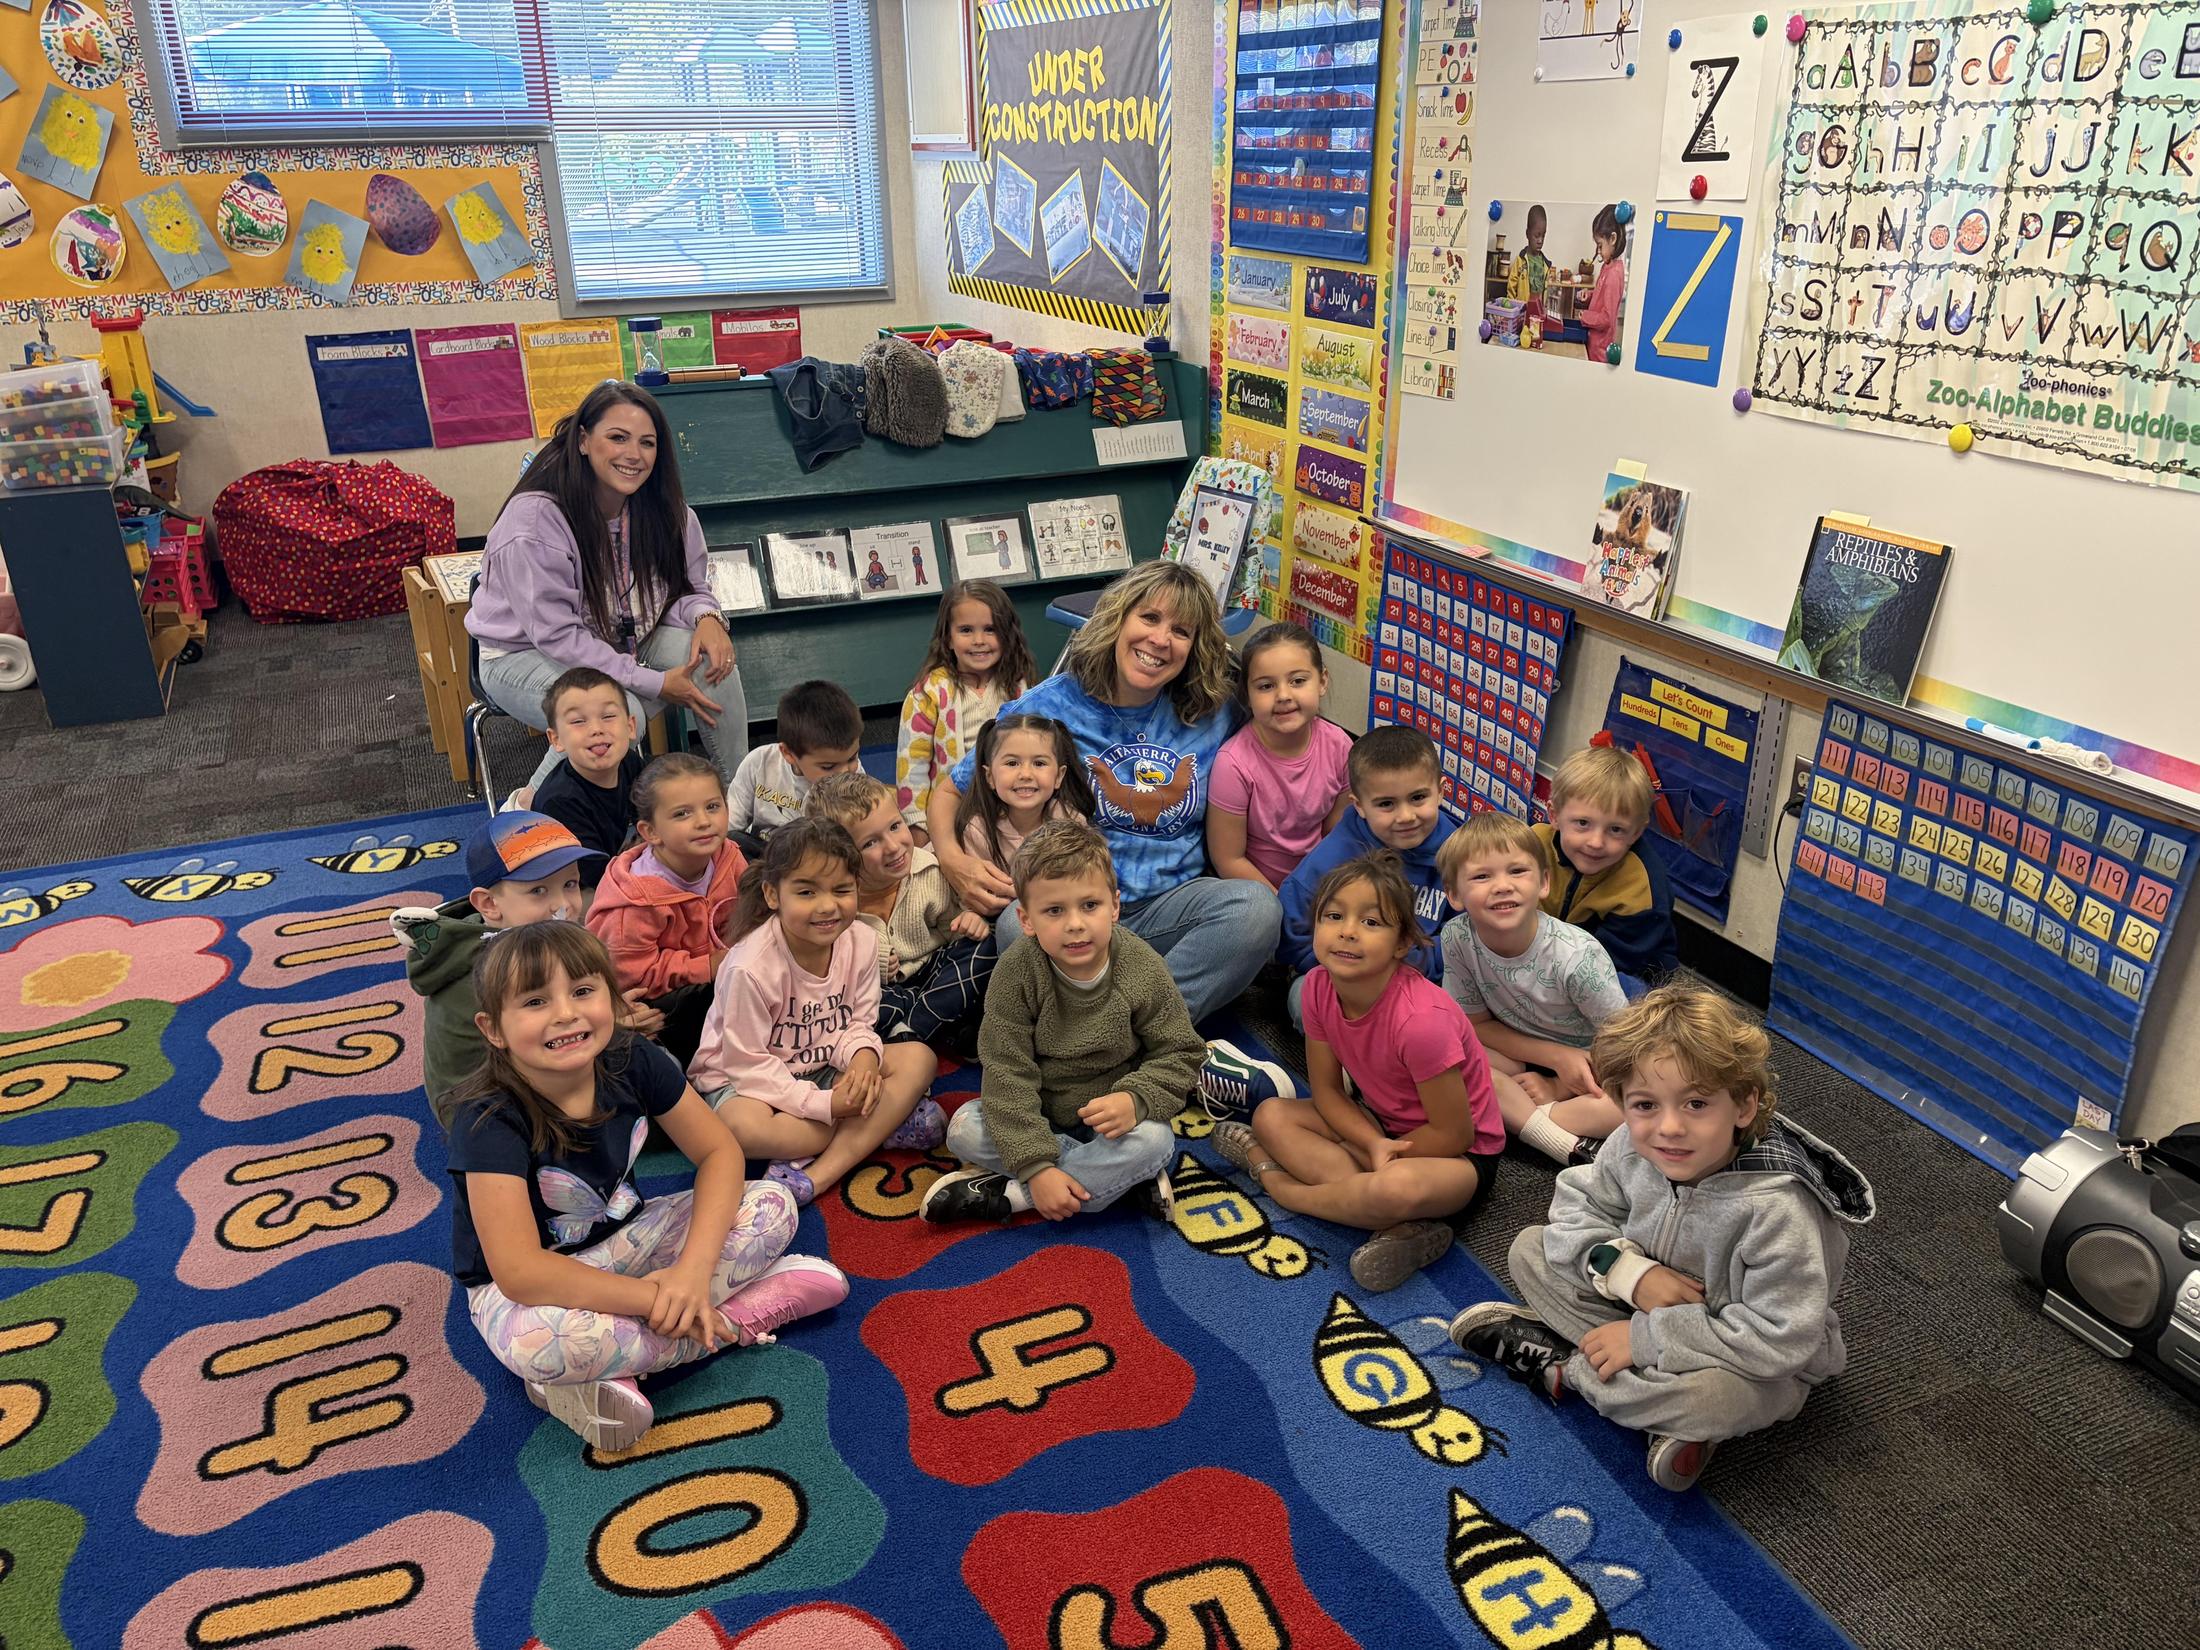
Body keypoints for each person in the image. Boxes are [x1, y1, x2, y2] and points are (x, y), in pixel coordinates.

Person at [1449, 985, 1874, 1493]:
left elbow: (1778, 1341)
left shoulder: (1779, 1211)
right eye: (1645, 1104)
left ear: (1744, 1106)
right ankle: (1652, 1404)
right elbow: (1575, 1210)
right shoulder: (1630, 1144)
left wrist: (1644, 1340)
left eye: (1696, 1103)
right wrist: (1629, 1274)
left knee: (1716, 1399)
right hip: (1640, 1304)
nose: (1669, 1127)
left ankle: (1567, 1369)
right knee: (1530, 1249)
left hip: (1743, 1354)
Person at [442, 922, 847, 1452]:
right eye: (536, 1001)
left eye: (582, 991)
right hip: (531, 1287)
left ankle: (604, 1370)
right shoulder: (488, 1118)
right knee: (536, 1344)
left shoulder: (632, 1058)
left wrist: (691, 1272)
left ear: (612, 999)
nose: (565, 1013)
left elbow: (720, 1153)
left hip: (629, 1240)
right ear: (493, 1028)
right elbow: (521, 1272)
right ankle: (736, 1321)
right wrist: (657, 1297)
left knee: (772, 1202)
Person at [928, 561, 1280, 1025]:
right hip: (1076, 904)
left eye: (1181, 631)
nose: (1160, 639)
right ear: (1118, 619)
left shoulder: (1213, 712)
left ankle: (1118, 1028)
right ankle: (1141, 1031)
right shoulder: (1050, 706)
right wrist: (954, 862)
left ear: (1195, 648)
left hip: (1171, 910)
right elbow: (949, 791)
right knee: (1017, 923)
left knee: (1257, 909)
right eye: (1149, 618)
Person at [1212, 852, 1512, 1292]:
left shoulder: (1421, 1022)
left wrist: (1385, 1156)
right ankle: (1396, 1225)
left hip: (1458, 1158)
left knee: (1394, 1189)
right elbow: (1328, 1092)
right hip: (1378, 1126)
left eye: (1371, 922)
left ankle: (1282, 1186)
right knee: (1271, 1115)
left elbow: (1454, 1134)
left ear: (1401, 943)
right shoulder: (1317, 986)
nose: (1348, 931)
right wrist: (1373, 1144)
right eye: (1333, 916)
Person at [921, 820, 1203, 1225]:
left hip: (1111, 1117)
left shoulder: (1141, 967)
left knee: (1155, 1140)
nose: (1075, 924)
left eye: (1090, 905)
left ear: (1115, 906)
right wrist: (1036, 1164)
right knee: (963, 1129)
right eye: (1054, 910)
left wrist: (1135, 1099)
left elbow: (1182, 1052)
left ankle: (1014, 1196)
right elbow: (1006, 1070)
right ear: (1026, 920)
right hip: (1040, 1109)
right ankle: (1118, 1182)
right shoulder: (1016, 972)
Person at [467, 380, 746, 788]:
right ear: (583, 440)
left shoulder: (666, 510)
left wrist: (707, 618)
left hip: (618, 635)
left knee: (711, 659)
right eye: (618, 438)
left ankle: (741, 798)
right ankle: (531, 812)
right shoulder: (534, 521)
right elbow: (559, 636)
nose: (634, 454)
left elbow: (686, 589)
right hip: (521, 654)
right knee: (615, 713)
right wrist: (654, 683)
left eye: (647, 443)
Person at [689, 819, 944, 1206]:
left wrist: (862, 1057)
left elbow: (858, 1022)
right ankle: (875, 1127)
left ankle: (816, 1168)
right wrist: (825, 1106)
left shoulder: (862, 941)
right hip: (747, 1084)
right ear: (773, 894)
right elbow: (747, 1064)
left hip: (821, 1068)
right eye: (806, 892)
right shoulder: (750, 968)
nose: (827, 906)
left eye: (842, 889)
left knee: (920, 1058)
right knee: (740, 1127)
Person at [1439, 813, 1629, 1166]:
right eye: (1482, 876)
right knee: (1442, 1048)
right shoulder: (1457, 937)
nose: (1502, 886)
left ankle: (1527, 1118)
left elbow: (1627, 1047)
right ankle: (1548, 1130)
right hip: (1521, 1049)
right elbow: (1475, 1025)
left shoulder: (1576, 957)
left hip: (1596, 1061)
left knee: (1637, 1103)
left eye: (1517, 871)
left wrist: (1559, 1086)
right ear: (1454, 894)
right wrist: (1555, 1058)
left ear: (1543, 882)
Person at [397, 810, 594, 1125]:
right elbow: (556, 1036)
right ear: (488, 904)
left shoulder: (515, 933)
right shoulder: (494, 968)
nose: (563, 905)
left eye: (570, 884)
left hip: (523, 1075)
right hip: (490, 1117)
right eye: (538, 890)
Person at [1276, 725, 1458, 1025]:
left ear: (1440, 792)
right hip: (1345, 975)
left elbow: (1465, 936)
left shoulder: (1461, 854)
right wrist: (1352, 966)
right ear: (1359, 806)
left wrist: (1410, 966)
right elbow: (1294, 935)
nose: (1406, 816)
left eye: (1417, 798)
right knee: (1304, 999)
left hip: (1423, 978)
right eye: (1386, 804)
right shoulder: (1334, 858)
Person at [806, 770, 997, 1048]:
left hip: (936, 974)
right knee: (843, 1003)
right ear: (839, 856)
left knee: (987, 946)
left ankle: (912, 1030)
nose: (894, 847)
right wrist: (874, 964)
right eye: (870, 843)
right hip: (880, 991)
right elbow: (827, 966)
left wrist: (969, 922)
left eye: (895, 826)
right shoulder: (833, 901)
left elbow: (954, 931)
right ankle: (942, 1028)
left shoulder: (929, 871)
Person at [586, 754, 746, 1066]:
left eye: (713, 806)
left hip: (721, 975)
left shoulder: (729, 857)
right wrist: (707, 966)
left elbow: (749, 915)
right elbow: (633, 975)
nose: (703, 821)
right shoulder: (634, 902)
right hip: (662, 1004)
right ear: (651, 832)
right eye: (682, 813)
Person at [1207, 621, 1351, 891]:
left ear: (1322, 681)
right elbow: (1228, 859)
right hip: (1259, 894)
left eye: (1298, 681)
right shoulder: (1233, 764)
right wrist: (1281, 904)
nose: (1283, 695)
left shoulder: (1339, 745)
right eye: (1266, 686)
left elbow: (1338, 836)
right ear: (1247, 694)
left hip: (1321, 885)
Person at [896, 580, 1037, 842]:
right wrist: (919, 827)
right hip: (952, 817)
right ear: (948, 638)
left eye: (990, 629)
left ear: (1007, 634)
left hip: (1010, 815)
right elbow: (911, 766)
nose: (979, 640)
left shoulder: (1018, 688)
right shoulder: (929, 692)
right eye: (966, 630)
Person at [1536, 746, 1678, 989]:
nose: (1596, 842)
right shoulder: (1532, 846)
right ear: (1554, 815)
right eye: (1583, 823)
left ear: (1637, 832)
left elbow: (1607, 966)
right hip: (1554, 947)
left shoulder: (1642, 885)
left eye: (1615, 829)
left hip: (1624, 968)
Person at [530, 666, 642, 897]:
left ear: (630, 726)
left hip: (607, 867)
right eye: (578, 721)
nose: (596, 729)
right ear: (556, 739)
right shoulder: (560, 801)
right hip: (567, 890)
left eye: (608, 716)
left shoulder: (629, 763)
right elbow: (598, 878)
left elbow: (656, 812)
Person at [954, 713, 1096, 886]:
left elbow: (1083, 884)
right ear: (989, 776)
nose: (1026, 774)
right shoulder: (977, 831)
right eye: (1012, 763)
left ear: (1059, 776)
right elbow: (978, 892)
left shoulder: (1071, 822)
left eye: (1039, 763)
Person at [725, 679, 864, 853]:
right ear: (789, 754)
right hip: (765, 852)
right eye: (828, 767)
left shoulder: (855, 780)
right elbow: (729, 827)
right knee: (733, 840)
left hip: (820, 855)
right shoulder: (759, 762)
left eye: (852, 758)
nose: (844, 773)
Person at [1581, 203, 1627, 362]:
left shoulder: (1614, 274)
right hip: (1593, 342)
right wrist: (1589, 295)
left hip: (1600, 350)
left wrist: (1585, 316)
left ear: (1613, 238)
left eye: (1600, 245)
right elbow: (1602, 294)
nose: (1598, 251)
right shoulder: (1607, 266)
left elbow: (1607, 318)